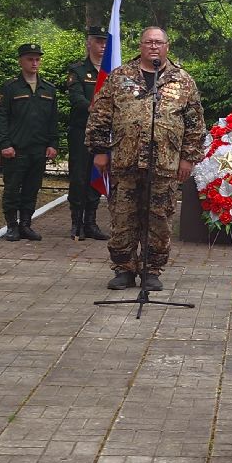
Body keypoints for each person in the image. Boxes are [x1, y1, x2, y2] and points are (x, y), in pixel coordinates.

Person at [86, 27, 206, 291]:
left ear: (167, 46)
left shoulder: (182, 80)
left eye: (158, 42)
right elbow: (100, 115)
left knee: (159, 219)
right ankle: (124, 270)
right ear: (140, 45)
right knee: (123, 218)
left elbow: (195, 124)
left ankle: (152, 270)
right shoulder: (120, 77)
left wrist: (188, 159)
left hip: (165, 164)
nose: (153, 47)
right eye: (148, 42)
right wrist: (98, 150)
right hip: (125, 162)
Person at [0, 43, 60, 242]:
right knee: (12, 188)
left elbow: (52, 119)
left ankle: (26, 224)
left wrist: (53, 143)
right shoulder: (9, 87)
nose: (34, 63)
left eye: (37, 59)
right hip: (16, 148)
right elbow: (0, 117)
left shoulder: (48, 88)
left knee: (32, 188)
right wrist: (4, 143)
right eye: (30, 59)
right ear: (21, 61)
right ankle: (12, 225)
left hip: (38, 148)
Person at [66, 25, 110, 241]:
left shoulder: (112, 71)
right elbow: (75, 98)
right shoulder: (78, 71)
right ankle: (76, 223)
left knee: (97, 174)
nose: (102, 46)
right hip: (82, 131)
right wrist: (93, 108)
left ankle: (91, 222)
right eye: (98, 41)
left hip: (104, 133)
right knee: (79, 176)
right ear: (89, 43)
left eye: (105, 42)